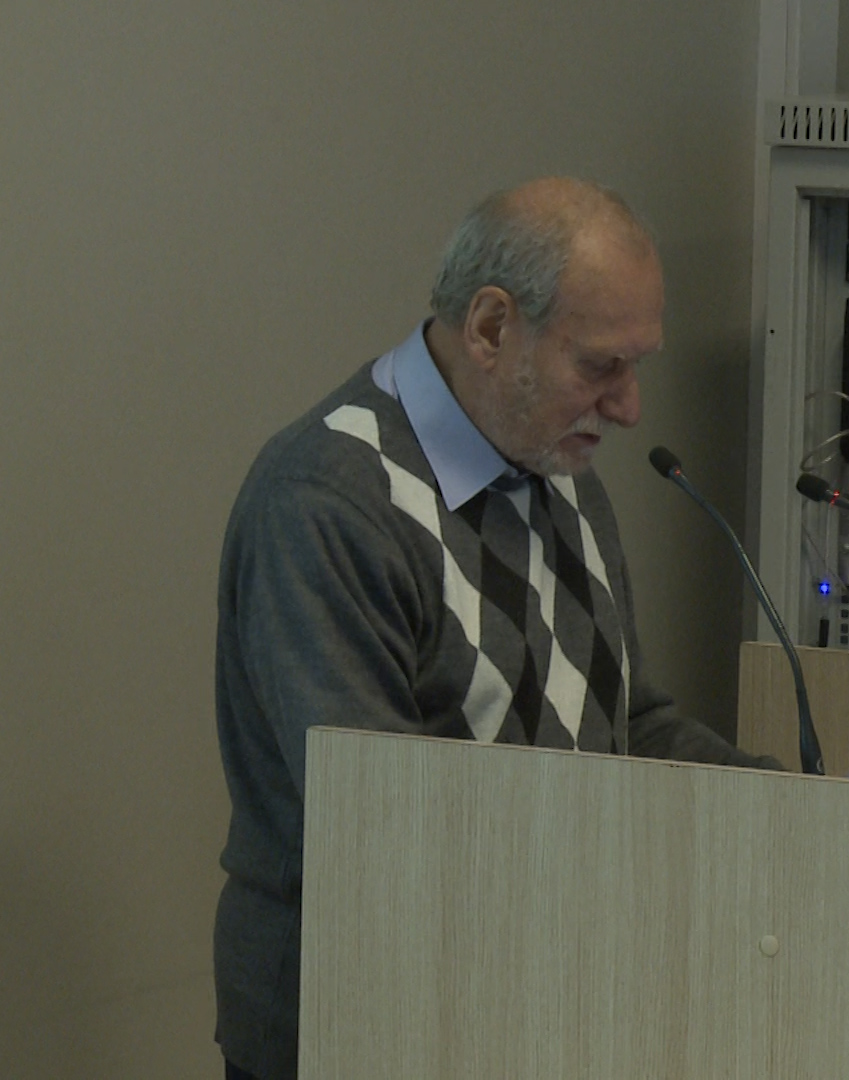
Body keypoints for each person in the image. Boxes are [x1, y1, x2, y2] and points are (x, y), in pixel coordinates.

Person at [211, 177, 778, 1080]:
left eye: (637, 366)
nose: (630, 407)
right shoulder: (327, 502)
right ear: (489, 328)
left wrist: (796, 808)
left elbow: (623, 725)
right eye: (601, 366)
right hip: (361, 1022)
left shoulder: (553, 466)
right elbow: (381, 823)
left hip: (530, 995)